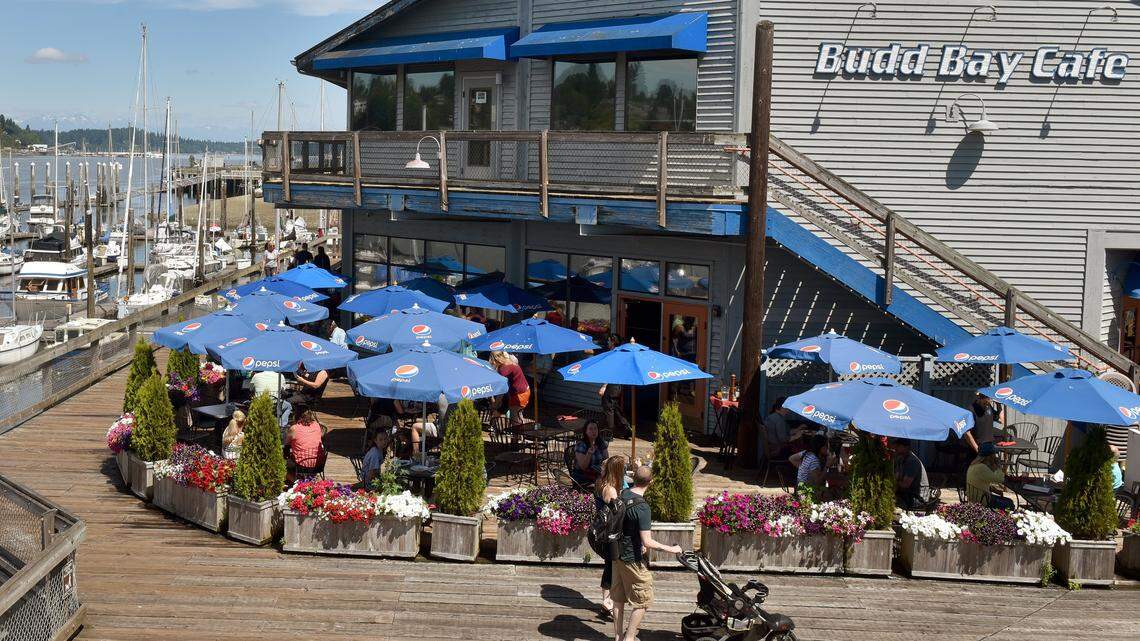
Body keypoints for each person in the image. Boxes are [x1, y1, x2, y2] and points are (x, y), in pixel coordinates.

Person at [611, 465, 684, 641]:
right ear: (651, 482)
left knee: (618, 599)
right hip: (632, 559)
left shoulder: (623, 495)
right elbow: (648, 542)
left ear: (633, 479)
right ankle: (629, 638)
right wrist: (672, 549)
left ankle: (618, 637)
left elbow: (626, 527)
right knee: (643, 600)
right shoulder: (643, 508)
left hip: (616, 555)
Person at [595, 455, 627, 618]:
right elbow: (617, 512)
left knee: (610, 566)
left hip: (609, 533)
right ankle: (608, 602)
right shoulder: (610, 490)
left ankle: (607, 601)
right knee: (611, 566)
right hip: (610, 535)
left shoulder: (603, 482)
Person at [966, 442, 1013, 509]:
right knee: (1009, 503)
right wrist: (998, 466)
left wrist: (993, 489)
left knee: (1006, 501)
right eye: (994, 454)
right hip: (982, 500)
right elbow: (1001, 479)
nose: (995, 456)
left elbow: (980, 483)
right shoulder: (982, 468)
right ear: (990, 456)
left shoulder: (974, 465)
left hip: (974, 498)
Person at [284, 408, 327, 481]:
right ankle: (309, 479)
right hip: (318, 464)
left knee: (283, 463)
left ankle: (297, 482)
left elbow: (287, 444)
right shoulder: (317, 425)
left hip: (302, 465)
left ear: (296, 416)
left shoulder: (294, 428)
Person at [490, 351, 530, 425]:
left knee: (515, 417)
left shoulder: (503, 369)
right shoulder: (509, 361)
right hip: (522, 390)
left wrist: (496, 402)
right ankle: (518, 434)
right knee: (517, 415)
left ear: (495, 359)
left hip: (519, 394)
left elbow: (501, 389)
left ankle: (518, 435)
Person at [893, 438, 930, 509]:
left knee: (892, 502)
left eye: (898, 445)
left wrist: (894, 482)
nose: (895, 448)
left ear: (906, 447)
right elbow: (896, 477)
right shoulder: (900, 459)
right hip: (906, 494)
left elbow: (905, 485)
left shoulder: (912, 461)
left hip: (917, 498)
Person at [572, 420, 609, 486]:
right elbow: (583, 467)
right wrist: (589, 454)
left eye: (595, 428)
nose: (593, 431)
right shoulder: (581, 445)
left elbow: (606, 460)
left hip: (597, 473)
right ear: (586, 431)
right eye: (590, 429)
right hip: (582, 476)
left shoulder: (601, 443)